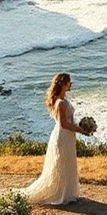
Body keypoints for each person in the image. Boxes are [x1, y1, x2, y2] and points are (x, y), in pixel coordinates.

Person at [23, 73, 89, 205]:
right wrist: (81, 130)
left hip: (66, 135)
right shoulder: (60, 103)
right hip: (63, 136)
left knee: (67, 162)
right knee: (63, 163)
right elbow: (63, 124)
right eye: (69, 82)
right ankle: (63, 194)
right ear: (63, 84)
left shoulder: (61, 100)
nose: (71, 84)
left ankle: (67, 192)